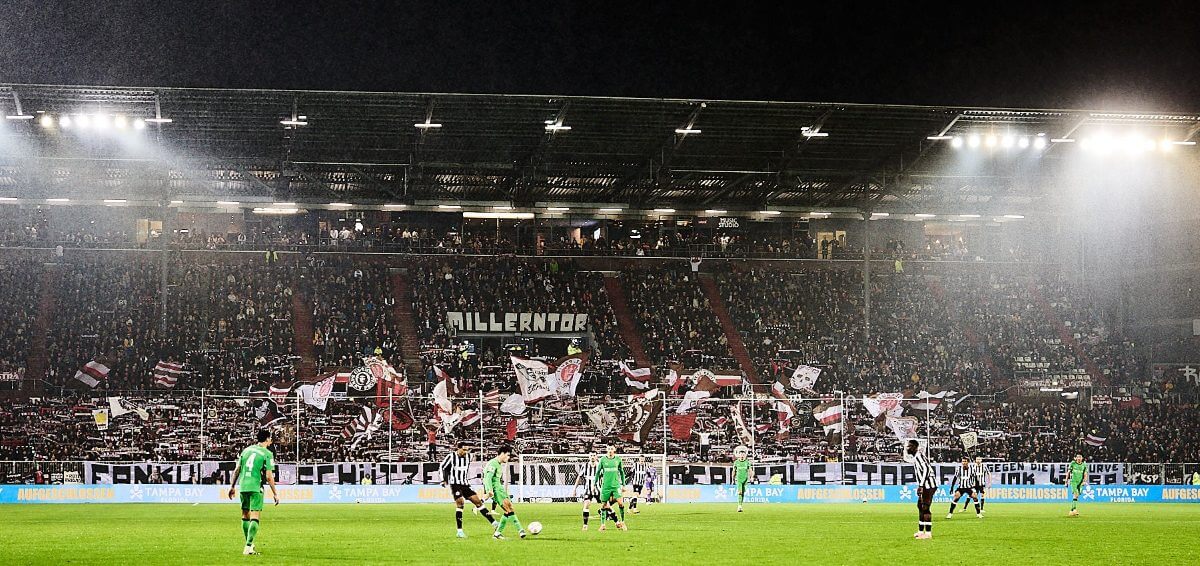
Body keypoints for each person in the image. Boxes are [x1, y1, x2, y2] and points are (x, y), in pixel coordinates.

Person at [228, 429, 280, 556]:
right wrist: (275, 493)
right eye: (270, 438)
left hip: (243, 486)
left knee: (245, 515)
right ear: (267, 439)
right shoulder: (267, 453)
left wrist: (232, 486)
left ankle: (249, 544)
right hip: (256, 486)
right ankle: (248, 547)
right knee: (255, 516)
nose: (271, 440)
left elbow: (237, 469)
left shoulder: (246, 450)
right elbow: (269, 476)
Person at [439, 441, 498, 538]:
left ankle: (494, 523)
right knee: (460, 503)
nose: (465, 452)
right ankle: (459, 531)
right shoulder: (451, 456)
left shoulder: (468, 457)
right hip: (455, 484)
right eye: (464, 450)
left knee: (478, 502)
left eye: (467, 450)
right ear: (458, 448)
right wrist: (443, 479)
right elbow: (443, 467)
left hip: (465, 484)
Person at [482, 445, 526, 540]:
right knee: (508, 509)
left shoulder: (498, 464)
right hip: (496, 490)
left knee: (509, 508)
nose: (508, 457)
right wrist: (490, 490)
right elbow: (488, 478)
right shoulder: (493, 463)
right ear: (502, 454)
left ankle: (497, 533)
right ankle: (520, 530)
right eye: (508, 455)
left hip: (500, 489)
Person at [902, 439, 937, 539]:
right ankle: (921, 531)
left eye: (909, 446)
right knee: (920, 506)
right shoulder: (917, 457)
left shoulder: (919, 456)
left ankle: (928, 534)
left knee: (925, 508)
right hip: (925, 485)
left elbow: (926, 469)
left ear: (914, 447)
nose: (907, 448)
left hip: (928, 485)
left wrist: (921, 485)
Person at [595, 444, 628, 531]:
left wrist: (623, 484)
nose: (610, 450)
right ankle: (603, 525)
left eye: (611, 448)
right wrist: (594, 484)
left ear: (614, 450)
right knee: (604, 505)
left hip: (616, 485)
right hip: (605, 486)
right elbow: (598, 472)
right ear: (607, 450)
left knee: (620, 503)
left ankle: (623, 522)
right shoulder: (602, 459)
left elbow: (622, 472)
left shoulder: (618, 459)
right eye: (609, 449)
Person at [573, 453, 600, 530]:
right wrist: (574, 489)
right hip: (588, 490)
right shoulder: (585, 466)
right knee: (586, 505)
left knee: (606, 505)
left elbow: (605, 477)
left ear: (596, 457)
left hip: (599, 490)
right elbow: (579, 477)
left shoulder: (600, 466)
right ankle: (585, 525)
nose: (592, 457)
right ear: (589, 457)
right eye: (591, 455)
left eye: (594, 455)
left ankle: (615, 522)